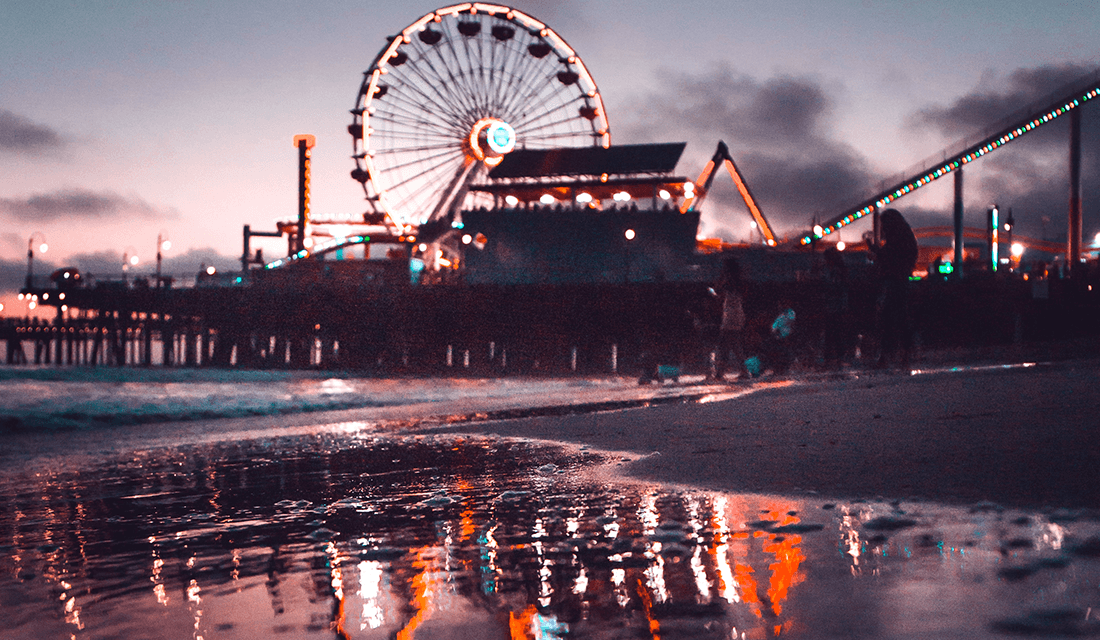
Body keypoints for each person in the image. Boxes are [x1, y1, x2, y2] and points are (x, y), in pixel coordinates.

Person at [870, 208, 918, 369]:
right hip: (900, 280)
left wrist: (876, 252)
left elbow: (889, 256)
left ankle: (888, 355)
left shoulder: (896, 238)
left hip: (894, 281)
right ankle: (903, 353)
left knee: (889, 317)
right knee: (900, 317)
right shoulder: (906, 237)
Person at [713, 257, 751, 380]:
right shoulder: (740, 281)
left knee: (724, 343)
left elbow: (719, 292)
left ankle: (720, 372)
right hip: (738, 313)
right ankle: (743, 370)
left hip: (730, 315)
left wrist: (713, 290)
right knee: (734, 343)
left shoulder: (727, 281)